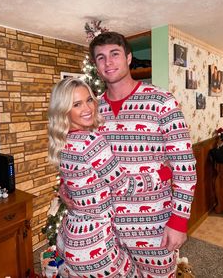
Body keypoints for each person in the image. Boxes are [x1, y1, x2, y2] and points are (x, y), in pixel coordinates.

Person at [87, 31, 197, 278]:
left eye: (115, 54)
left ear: (128, 57)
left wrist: (178, 221)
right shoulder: (93, 110)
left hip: (154, 225)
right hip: (106, 228)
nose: (108, 62)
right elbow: (86, 158)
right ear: (96, 66)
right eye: (101, 57)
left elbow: (185, 165)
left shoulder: (161, 101)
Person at [48, 77, 168, 277]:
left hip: (70, 237)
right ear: (64, 110)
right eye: (76, 104)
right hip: (95, 243)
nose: (88, 108)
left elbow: (75, 182)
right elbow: (124, 186)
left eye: (89, 100)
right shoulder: (92, 142)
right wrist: (162, 174)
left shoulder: (63, 141)